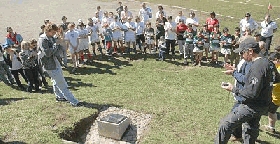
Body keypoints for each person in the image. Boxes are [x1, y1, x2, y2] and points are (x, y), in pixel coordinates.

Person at [215, 37, 274, 143]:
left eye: (242, 53)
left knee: (225, 125)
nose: (241, 55)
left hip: (252, 106)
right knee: (250, 129)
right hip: (263, 105)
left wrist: (233, 89)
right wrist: (235, 72)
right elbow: (275, 78)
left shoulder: (257, 66)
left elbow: (252, 93)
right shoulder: (267, 62)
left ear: (250, 51)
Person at [38, 23, 80, 106]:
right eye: (53, 32)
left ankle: (59, 96)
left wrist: (60, 43)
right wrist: (56, 44)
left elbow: (59, 50)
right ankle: (74, 101)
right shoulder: (43, 39)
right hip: (49, 64)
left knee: (56, 81)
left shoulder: (51, 37)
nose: (54, 34)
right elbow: (48, 53)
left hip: (55, 62)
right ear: (48, 30)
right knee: (62, 83)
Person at [261, 52, 280, 133]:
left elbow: (275, 82)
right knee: (272, 111)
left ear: (277, 60)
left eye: (272, 61)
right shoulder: (277, 67)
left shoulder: (278, 70)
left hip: (275, 97)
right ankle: (271, 127)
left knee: (266, 110)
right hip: (275, 97)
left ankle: (270, 127)